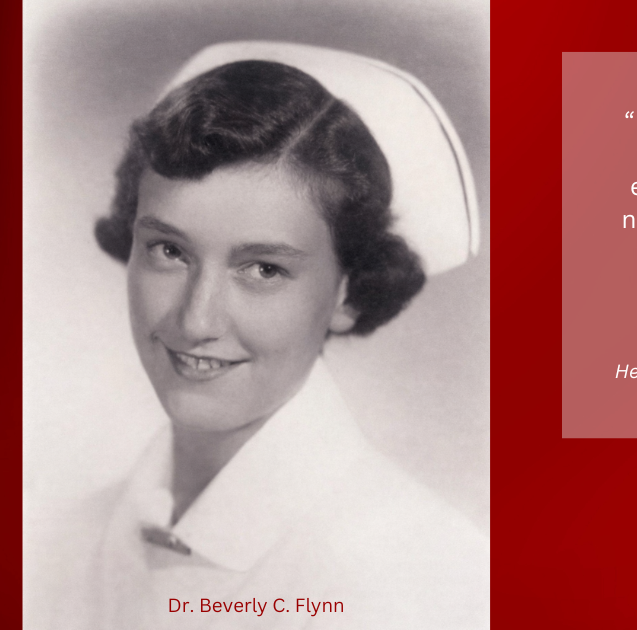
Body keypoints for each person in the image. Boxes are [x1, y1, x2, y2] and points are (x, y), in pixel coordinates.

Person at [44, 43, 487, 629]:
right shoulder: (62, 541)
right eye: (169, 251)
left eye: (263, 270)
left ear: (347, 295)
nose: (196, 321)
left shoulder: (420, 574)